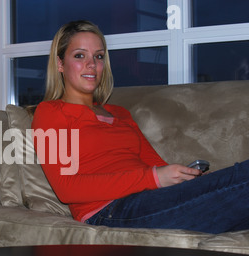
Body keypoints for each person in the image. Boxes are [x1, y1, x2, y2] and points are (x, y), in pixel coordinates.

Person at [31, 20, 249, 234]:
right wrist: (154, 178)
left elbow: (154, 164)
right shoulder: (49, 112)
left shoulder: (119, 113)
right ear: (60, 64)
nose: (92, 64)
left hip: (149, 200)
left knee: (234, 183)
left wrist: (185, 178)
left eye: (98, 56)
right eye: (80, 55)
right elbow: (66, 188)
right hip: (107, 212)